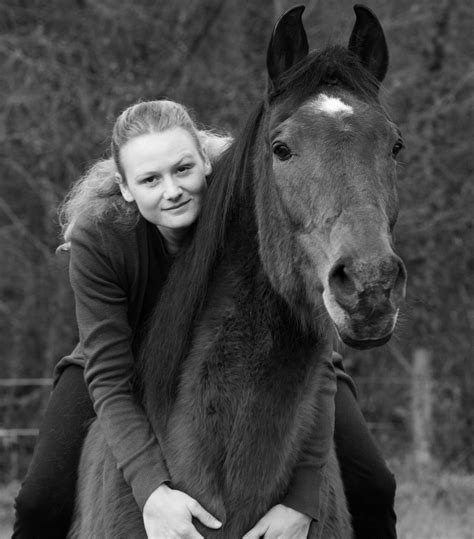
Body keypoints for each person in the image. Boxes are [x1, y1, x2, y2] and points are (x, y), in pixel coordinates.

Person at [13, 99, 397, 539]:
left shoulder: (244, 211)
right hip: (121, 360)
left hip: (238, 358)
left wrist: (303, 497)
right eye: (150, 179)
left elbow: (312, 343)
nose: (172, 189)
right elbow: (108, 376)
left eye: (182, 169)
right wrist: (152, 491)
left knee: (374, 485)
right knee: (39, 501)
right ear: (124, 187)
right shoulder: (99, 238)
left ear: (206, 162)